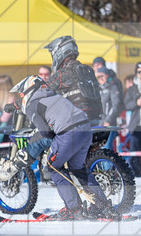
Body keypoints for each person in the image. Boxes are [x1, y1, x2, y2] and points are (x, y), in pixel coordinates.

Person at [7, 76, 112, 220]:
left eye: (21, 94)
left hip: (69, 133)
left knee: (54, 167)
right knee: (78, 169)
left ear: (26, 91)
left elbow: (45, 132)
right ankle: (102, 205)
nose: (21, 96)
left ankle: (74, 208)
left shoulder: (32, 105)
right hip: (85, 129)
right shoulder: (53, 95)